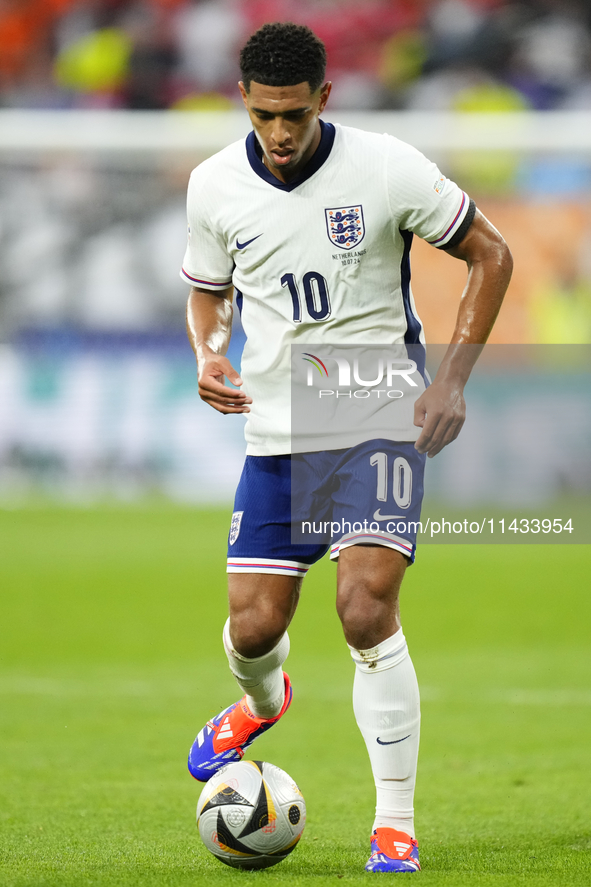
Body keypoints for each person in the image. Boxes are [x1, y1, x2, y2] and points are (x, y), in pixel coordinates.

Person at [182, 22, 512, 874]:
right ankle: (261, 701)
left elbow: (491, 254)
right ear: (244, 102)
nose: (279, 134)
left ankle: (393, 821)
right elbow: (208, 293)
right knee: (253, 629)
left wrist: (449, 381)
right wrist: (207, 351)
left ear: (324, 98)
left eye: (293, 115)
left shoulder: (387, 167)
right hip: (279, 428)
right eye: (263, 116)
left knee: (364, 608)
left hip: (376, 411)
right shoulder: (213, 186)